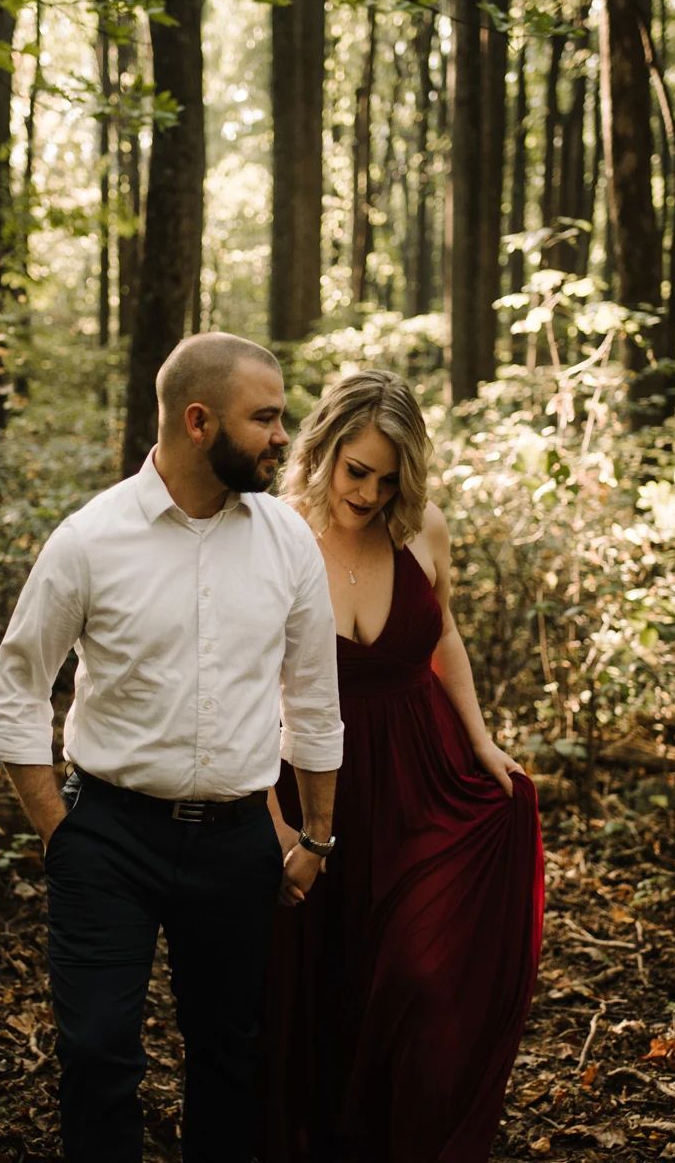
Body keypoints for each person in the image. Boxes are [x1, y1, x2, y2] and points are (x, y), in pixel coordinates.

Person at [0, 332, 344, 1163]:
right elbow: (16, 685)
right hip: (107, 837)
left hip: (235, 846)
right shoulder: (88, 539)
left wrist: (316, 835)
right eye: (265, 418)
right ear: (197, 421)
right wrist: (55, 828)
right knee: (98, 1053)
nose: (282, 437)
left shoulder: (286, 540)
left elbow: (315, 700)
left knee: (228, 1056)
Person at [262, 368, 544, 1163]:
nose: (370, 493)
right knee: (325, 985)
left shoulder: (422, 529)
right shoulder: (274, 533)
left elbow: (441, 633)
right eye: (357, 471)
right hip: (316, 781)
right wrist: (277, 822)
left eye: (388, 479)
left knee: (420, 974)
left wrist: (481, 740)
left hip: (422, 775)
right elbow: (242, 682)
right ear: (320, 449)